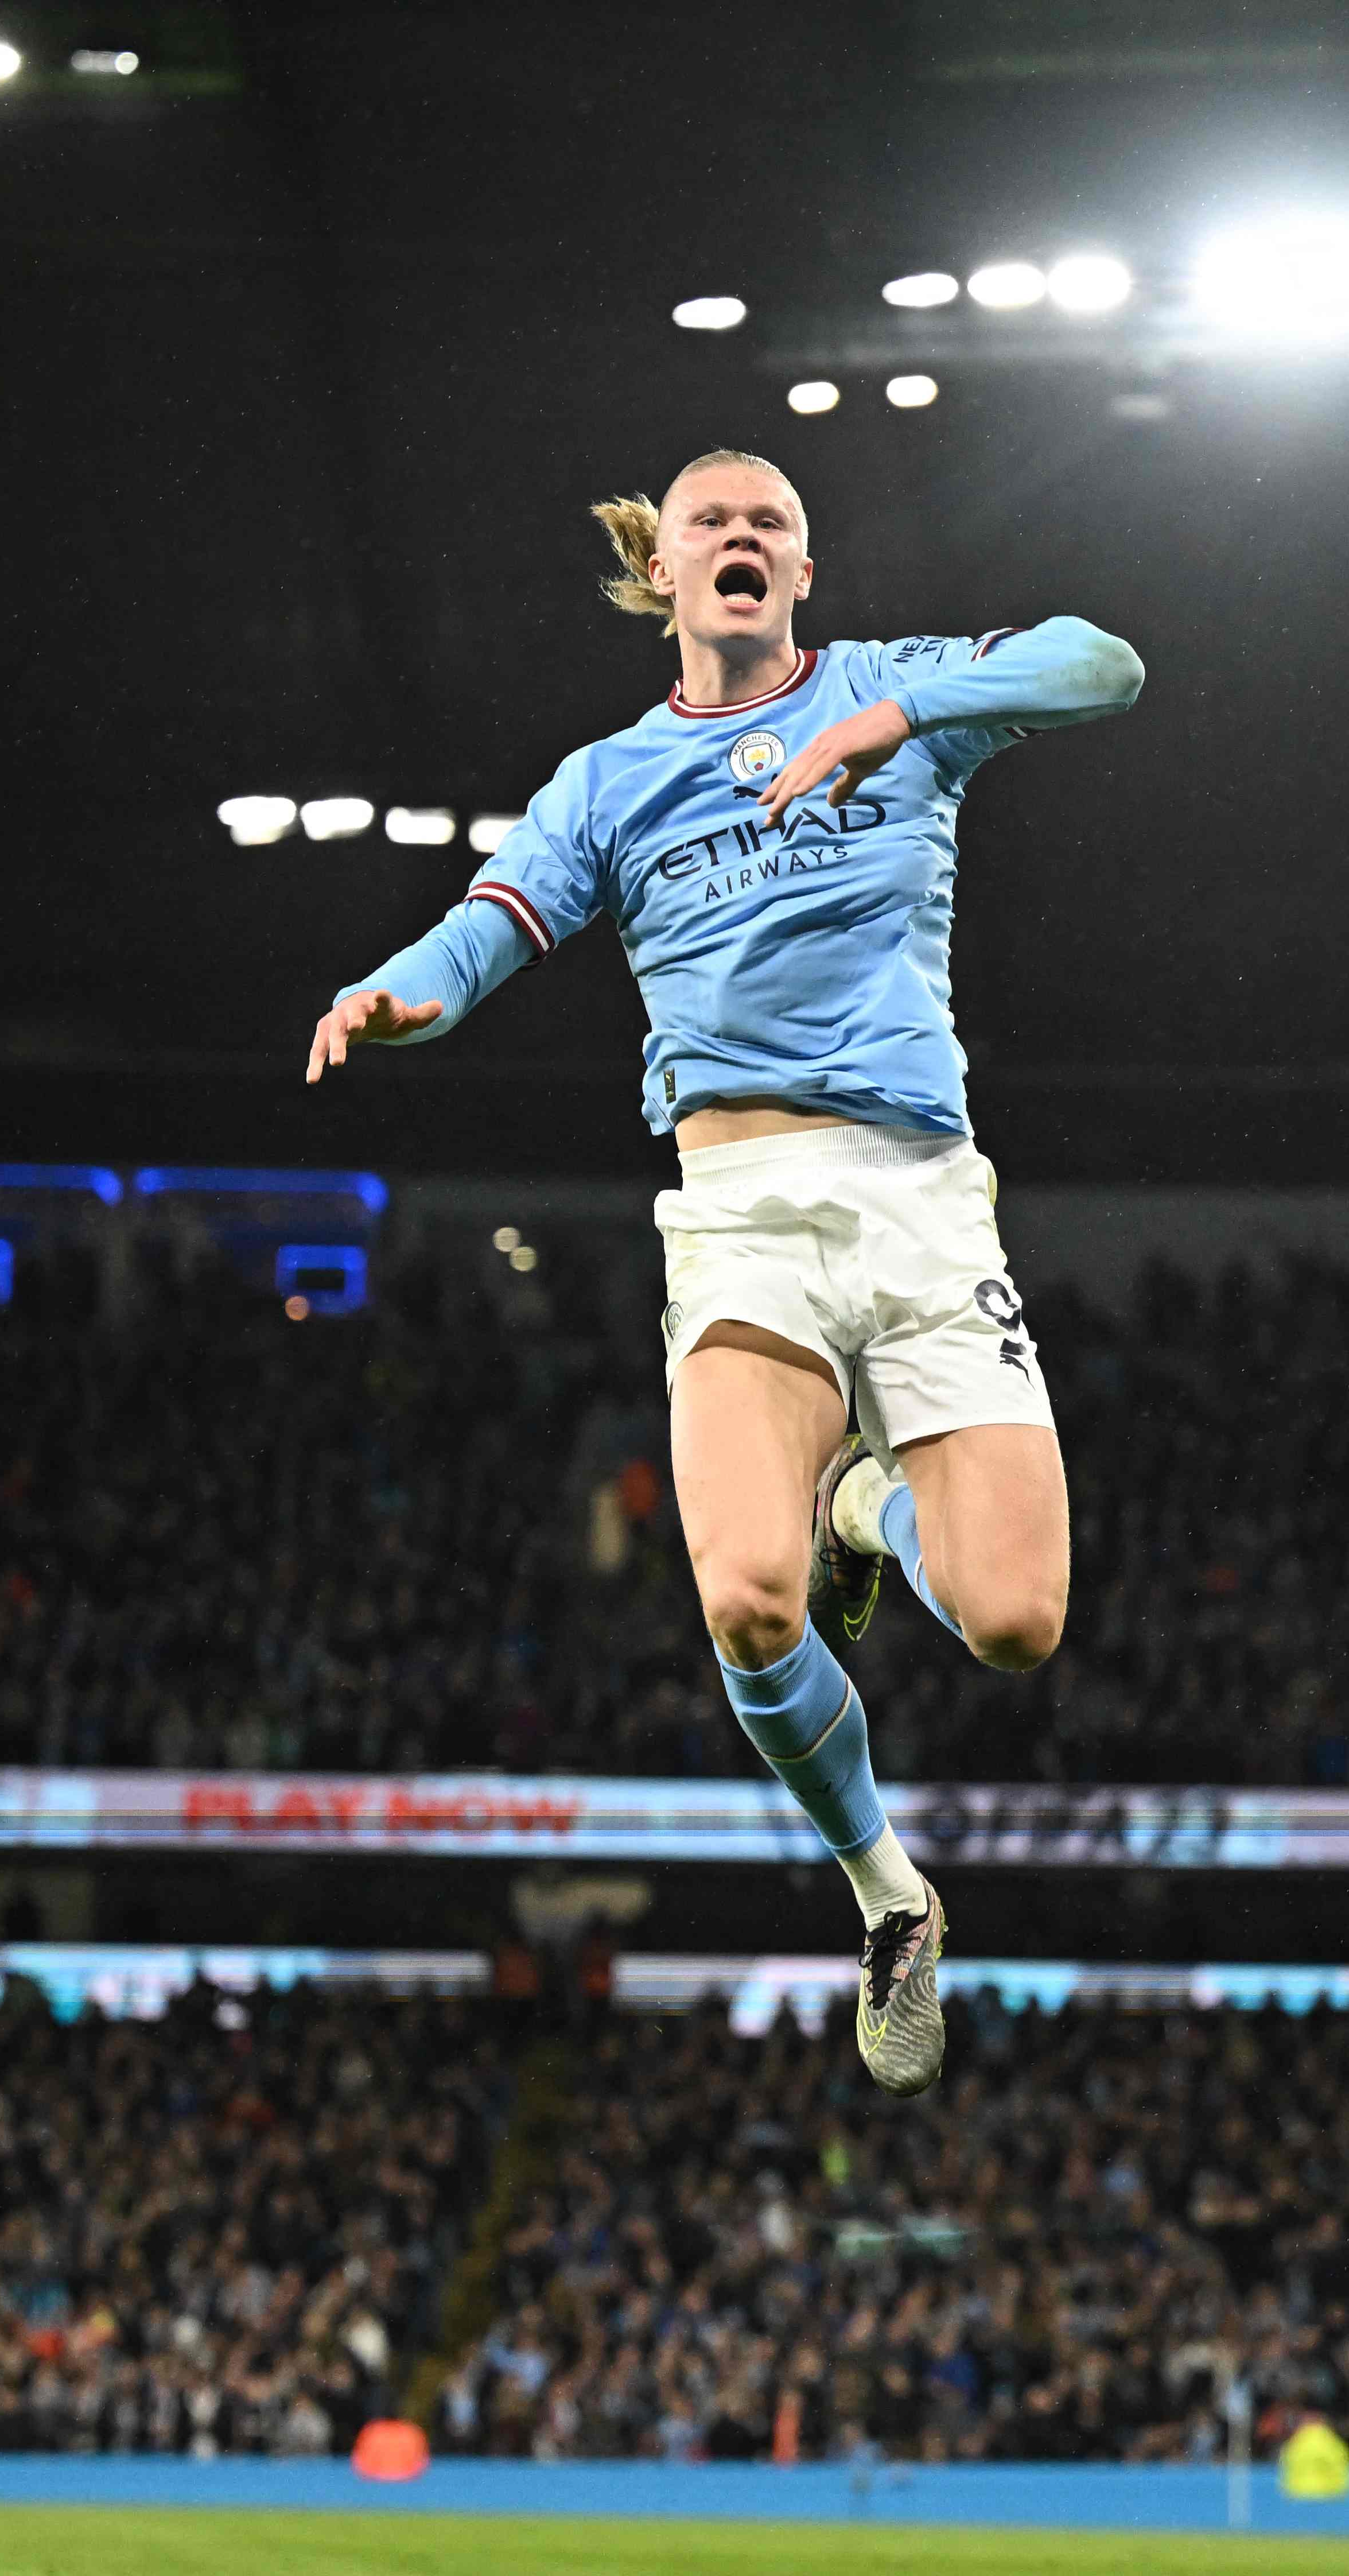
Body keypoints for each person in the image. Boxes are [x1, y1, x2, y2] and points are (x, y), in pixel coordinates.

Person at [304, 448, 1142, 2095]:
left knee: (1016, 1622)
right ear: (669, 578)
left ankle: (862, 1509)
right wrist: (398, 995)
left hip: (918, 1201)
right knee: (744, 1598)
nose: (744, 540)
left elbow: (1105, 664)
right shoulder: (609, 782)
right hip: (741, 1204)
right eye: (715, 526)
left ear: (803, 578)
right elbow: (487, 926)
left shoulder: (902, 691)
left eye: (773, 525)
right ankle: (888, 1897)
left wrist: (885, 724)